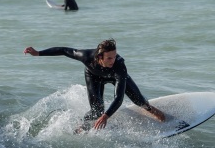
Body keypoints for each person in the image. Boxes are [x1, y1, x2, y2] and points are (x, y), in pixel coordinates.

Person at [23, 39, 165, 131]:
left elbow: (119, 98)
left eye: (114, 56)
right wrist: (38, 53)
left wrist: (106, 116)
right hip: (93, 76)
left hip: (115, 77)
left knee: (138, 99)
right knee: (96, 111)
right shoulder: (86, 56)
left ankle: (154, 112)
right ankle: (83, 125)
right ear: (99, 57)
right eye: (109, 58)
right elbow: (64, 51)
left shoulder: (119, 66)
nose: (113, 60)